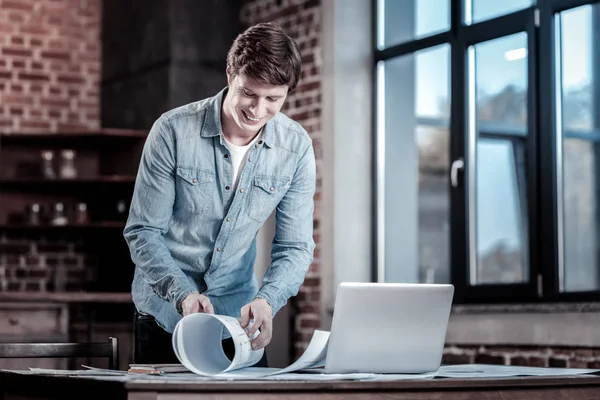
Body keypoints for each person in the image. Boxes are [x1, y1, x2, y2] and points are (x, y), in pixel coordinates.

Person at [123, 22, 316, 366]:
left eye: (273, 99)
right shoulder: (172, 131)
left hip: (239, 322)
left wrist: (268, 300)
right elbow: (143, 232)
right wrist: (183, 295)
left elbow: (295, 247)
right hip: (166, 317)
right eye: (249, 94)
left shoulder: (296, 147)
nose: (257, 110)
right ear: (230, 74)